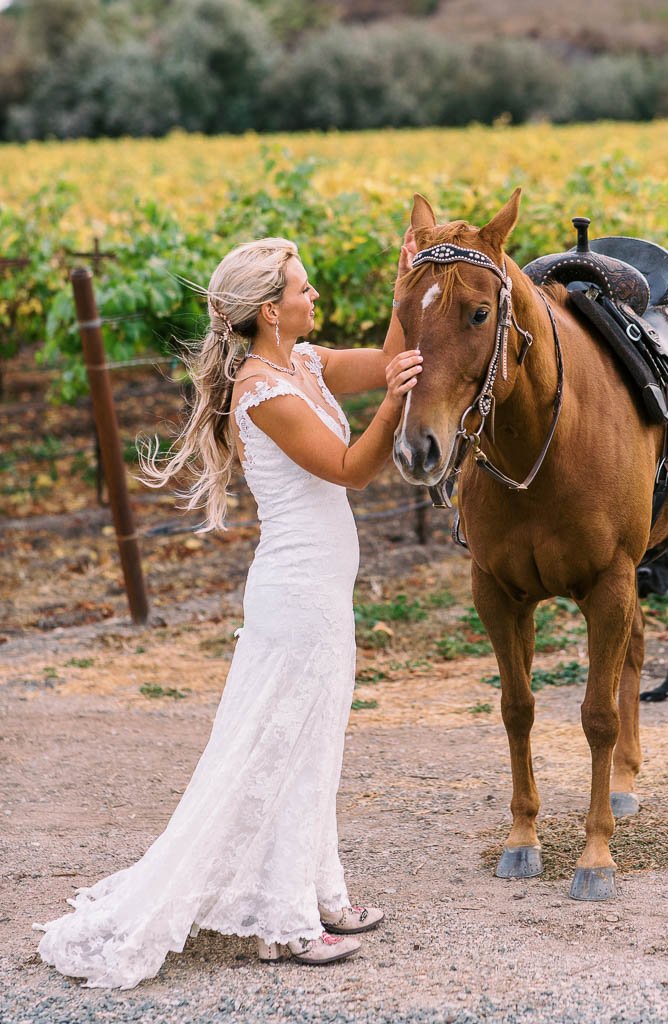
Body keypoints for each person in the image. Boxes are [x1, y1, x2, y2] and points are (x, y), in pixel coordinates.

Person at [34, 232, 422, 987]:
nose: (315, 297)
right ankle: (286, 924)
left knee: (314, 745)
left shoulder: (303, 364)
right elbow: (353, 469)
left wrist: (408, 290)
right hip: (295, 597)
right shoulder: (263, 392)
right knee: (283, 748)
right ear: (271, 312)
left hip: (319, 592)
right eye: (304, 290)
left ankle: (319, 895)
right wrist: (399, 403)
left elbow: (382, 361)